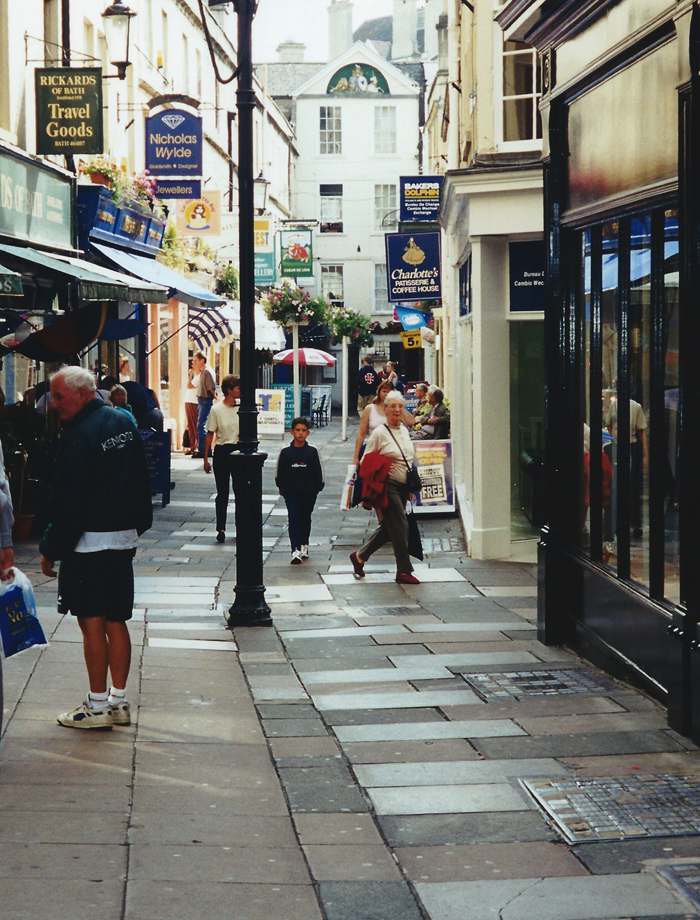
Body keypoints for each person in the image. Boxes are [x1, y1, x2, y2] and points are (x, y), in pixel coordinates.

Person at [39, 366, 152, 730]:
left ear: (83, 394)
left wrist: (51, 546)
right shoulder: (123, 421)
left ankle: (96, 705)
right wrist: (138, 523)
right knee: (116, 618)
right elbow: (141, 478)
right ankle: (118, 703)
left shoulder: (79, 434)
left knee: (92, 622)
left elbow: (69, 499)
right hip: (122, 537)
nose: (54, 405)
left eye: (59, 397)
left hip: (88, 541)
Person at [350, 391, 420, 585]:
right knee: (401, 525)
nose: (397, 410)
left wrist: (408, 488)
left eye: (400, 406)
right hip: (387, 485)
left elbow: (407, 459)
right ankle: (403, 571)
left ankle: (359, 556)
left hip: (403, 484)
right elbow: (366, 461)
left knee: (391, 527)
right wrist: (382, 469)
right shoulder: (380, 432)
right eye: (393, 406)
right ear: (386, 409)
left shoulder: (404, 430)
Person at [275, 417, 325, 564]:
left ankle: (304, 544)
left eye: (303, 430)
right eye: (298, 430)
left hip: (309, 491)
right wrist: (281, 487)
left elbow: (319, 471)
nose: (300, 433)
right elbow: (280, 471)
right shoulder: (285, 452)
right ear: (292, 432)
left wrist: (317, 487)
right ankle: (295, 549)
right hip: (291, 491)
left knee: (305, 517)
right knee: (294, 517)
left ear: (308, 433)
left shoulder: (312, 451)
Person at [202, 375, 240, 543]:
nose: (241, 391)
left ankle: (241, 526)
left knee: (241, 492)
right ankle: (221, 527)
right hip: (223, 451)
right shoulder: (217, 410)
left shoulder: (243, 408)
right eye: (238, 388)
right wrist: (205, 458)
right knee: (222, 492)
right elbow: (210, 433)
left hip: (239, 451)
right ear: (229, 390)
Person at [194, 352, 217, 458]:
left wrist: (215, 397)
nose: (194, 363)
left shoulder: (207, 371)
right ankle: (203, 449)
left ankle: (204, 450)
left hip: (205, 401)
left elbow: (211, 387)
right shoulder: (204, 371)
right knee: (201, 425)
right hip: (202, 401)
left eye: (196, 361)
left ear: (202, 360)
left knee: (201, 425)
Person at [184, 359, 200, 455]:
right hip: (189, 400)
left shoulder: (198, 377)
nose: (192, 364)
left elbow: (189, 386)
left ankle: (195, 446)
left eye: (195, 362)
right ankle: (192, 446)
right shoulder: (197, 376)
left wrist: (190, 375)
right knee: (190, 424)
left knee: (194, 424)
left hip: (193, 401)